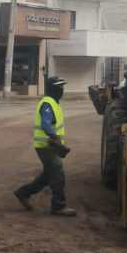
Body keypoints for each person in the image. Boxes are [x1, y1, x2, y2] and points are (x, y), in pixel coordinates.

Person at [14, 77, 77, 217]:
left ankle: (23, 193)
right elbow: (46, 124)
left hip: (50, 145)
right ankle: (58, 206)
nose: (62, 90)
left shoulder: (54, 103)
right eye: (59, 87)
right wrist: (55, 139)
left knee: (48, 176)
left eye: (62, 87)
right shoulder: (47, 103)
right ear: (52, 88)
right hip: (46, 146)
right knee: (58, 173)